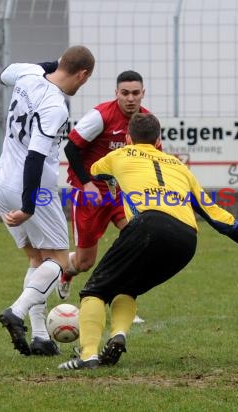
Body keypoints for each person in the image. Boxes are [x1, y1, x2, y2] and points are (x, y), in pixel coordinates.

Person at [57, 113, 238, 370]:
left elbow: (94, 171)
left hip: (148, 226)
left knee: (94, 291)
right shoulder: (179, 166)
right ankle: (118, 335)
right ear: (158, 141)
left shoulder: (119, 155)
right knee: (127, 288)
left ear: (128, 138)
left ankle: (88, 356)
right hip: (187, 239)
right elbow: (216, 216)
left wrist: (112, 181)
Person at [0, 45, 95, 356]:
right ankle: (17, 311)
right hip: (34, 187)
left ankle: (40, 337)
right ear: (82, 74)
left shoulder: (29, 73)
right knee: (60, 261)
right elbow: (36, 155)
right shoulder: (56, 105)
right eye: (84, 80)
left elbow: (3, 74)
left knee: (38, 260)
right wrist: (29, 205)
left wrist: (52, 65)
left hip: (1, 181)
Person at [58, 70, 151, 323]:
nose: (130, 98)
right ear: (116, 94)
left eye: (135, 93)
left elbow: (151, 161)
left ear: (143, 93)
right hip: (91, 195)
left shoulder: (146, 122)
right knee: (85, 261)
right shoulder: (101, 116)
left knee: (138, 242)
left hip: (121, 196)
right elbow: (71, 148)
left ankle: (124, 303)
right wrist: (87, 184)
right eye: (125, 93)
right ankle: (66, 271)